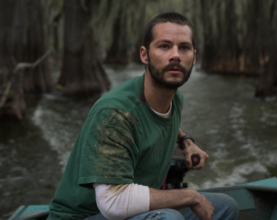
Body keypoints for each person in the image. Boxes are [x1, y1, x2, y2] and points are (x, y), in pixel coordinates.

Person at [47, 12, 238, 220]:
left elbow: (158, 118)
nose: (175, 55)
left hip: (133, 209)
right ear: (144, 55)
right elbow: (113, 202)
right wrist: (190, 196)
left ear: (194, 57)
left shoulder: (175, 99)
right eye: (164, 46)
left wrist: (186, 141)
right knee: (168, 218)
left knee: (226, 206)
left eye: (184, 48)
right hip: (86, 215)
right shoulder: (114, 113)